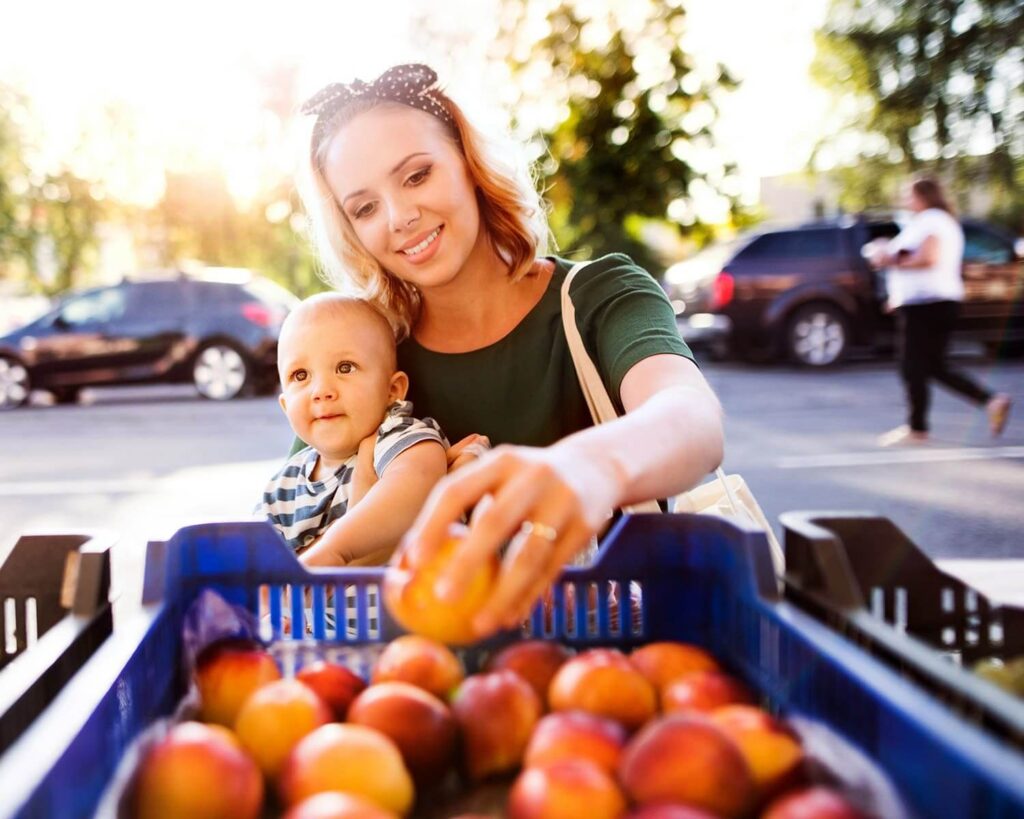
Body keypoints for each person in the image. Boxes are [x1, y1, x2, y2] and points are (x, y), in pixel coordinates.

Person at [297, 64, 724, 638]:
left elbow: (692, 419)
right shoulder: (365, 359)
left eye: (417, 175)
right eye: (365, 208)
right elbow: (313, 536)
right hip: (422, 688)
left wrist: (591, 466)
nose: (400, 218)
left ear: (469, 166)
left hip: (613, 671)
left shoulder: (597, 297)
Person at [259, 292, 448, 567]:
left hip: (395, 609)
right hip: (308, 612)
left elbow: (418, 481)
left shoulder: (395, 437)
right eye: (301, 375)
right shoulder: (280, 489)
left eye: (345, 367)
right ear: (286, 405)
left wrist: (338, 548)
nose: (321, 391)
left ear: (392, 391)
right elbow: (259, 573)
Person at [867, 176, 1012, 447]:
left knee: (912, 366)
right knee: (933, 366)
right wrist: (898, 295)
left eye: (908, 194)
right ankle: (992, 401)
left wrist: (886, 257)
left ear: (923, 196)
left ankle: (917, 428)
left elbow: (928, 257)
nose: (904, 200)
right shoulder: (938, 220)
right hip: (929, 302)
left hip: (927, 304)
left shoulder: (931, 219)